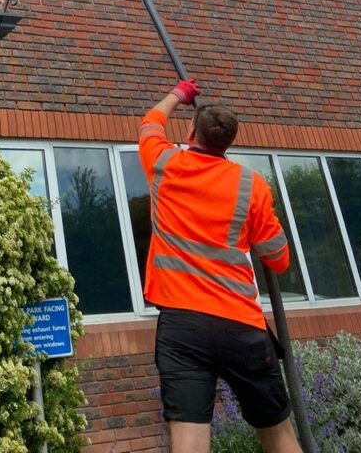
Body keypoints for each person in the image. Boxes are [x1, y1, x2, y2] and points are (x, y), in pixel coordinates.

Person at [139, 78, 302, 453]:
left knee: (189, 439)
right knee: (279, 435)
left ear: (191, 132)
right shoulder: (252, 185)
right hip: (240, 327)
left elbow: (150, 123)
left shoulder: (164, 164)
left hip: (183, 329)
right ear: (227, 142)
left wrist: (179, 94)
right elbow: (279, 260)